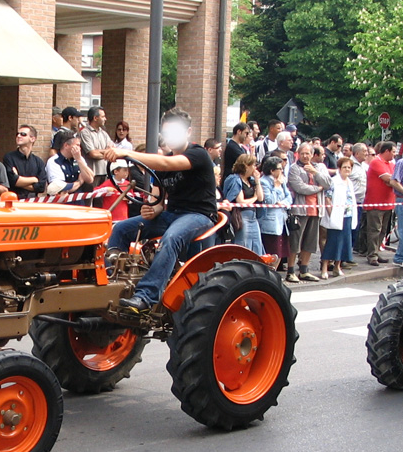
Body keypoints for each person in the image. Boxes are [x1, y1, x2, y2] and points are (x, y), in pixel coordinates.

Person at [104, 108, 218, 312]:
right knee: (120, 229)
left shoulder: (198, 154)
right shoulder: (162, 166)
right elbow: (157, 199)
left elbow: (167, 163)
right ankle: (112, 283)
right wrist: (153, 209)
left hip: (199, 215)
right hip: (172, 214)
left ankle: (145, 296)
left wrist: (127, 153)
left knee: (171, 237)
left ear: (188, 132)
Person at [285, 142, 331, 282]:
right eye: (303, 153)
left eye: (308, 153)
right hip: (300, 210)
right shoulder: (294, 168)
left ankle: (304, 270)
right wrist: (318, 188)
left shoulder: (320, 167)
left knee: (310, 242)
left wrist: (315, 173)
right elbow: (300, 187)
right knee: (295, 242)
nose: (305, 156)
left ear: (312, 154)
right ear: (298, 154)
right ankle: (290, 271)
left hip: (316, 210)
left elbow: (328, 183)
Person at [320, 156, 358, 279]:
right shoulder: (334, 181)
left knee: (344, 243)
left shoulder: (349, 182)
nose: (347, 169)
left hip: (348, 216)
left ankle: (337, 266)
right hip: (336, 217)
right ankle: (324, 268)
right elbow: (328, 198)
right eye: (344, 167)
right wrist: (331, 214)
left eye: (349, 167)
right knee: (332, 243)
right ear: (339, 168)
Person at [224, 153, 265, 255]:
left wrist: (257, 181)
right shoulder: (236, 180)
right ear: (246, 166)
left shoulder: (251, 181)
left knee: (256, 242)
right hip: (242, 216)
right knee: (243, 243)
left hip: (253, 217)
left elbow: (261, 198)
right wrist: (254, 197)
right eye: (253, 165)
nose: (255, 168)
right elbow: (241, 201)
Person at [363, 142, 397, 267]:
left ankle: (376, 252)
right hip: (376, 202)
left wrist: (392, 180)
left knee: (382, 230)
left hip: (388, 202)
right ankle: (372, 255)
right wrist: (392, 180)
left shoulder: (391, 164)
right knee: (374, 230)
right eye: (393, 151)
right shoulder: (376, 162)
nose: (395, 154)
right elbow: (388, 179)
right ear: (386, 151)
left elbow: (394, 179)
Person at [258, 154, 291, 268]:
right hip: (270, 222)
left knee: (280, 252)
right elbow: (269, 201)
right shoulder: (264, 182)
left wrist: (282, 203)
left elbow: (289, 197)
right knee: (272, 252)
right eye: (280, 168)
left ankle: (274, 273)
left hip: (281, 221)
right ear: (272, 170)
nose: (282, 170)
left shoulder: (282, 180)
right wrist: (276, 187)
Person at [46, 129, 95, 203]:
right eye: (77, 145)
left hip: (79, 202)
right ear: (66, 145)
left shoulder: (79, 158)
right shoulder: (54, 161)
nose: (79, 148)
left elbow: (90, 179)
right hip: (63, 204)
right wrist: (79, 182)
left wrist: (79, 160)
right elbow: (62, 189)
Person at [3, 126, 47, 199]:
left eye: (23, 134)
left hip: (32, 202)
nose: (18, 136)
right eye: (17, 134)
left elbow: (41, 187)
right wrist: (34, 179)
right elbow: (12, 181)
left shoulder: (38, 162)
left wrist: (19, 180)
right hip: (14, 200)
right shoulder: (9, 157)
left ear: (32, 139)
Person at [78, 106, 113, 189]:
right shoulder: (85, 133)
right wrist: (106, 152)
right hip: (92, 174)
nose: (105, 119)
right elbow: (92, 154)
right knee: (90, 196)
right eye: (103, 116)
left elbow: (112, 150)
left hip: (105, 172)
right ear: (95, 118)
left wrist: (100, 152)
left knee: (102, 197)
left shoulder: (104, 133)